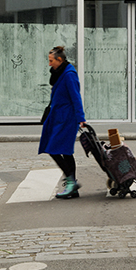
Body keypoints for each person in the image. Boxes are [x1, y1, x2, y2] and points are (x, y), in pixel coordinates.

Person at [37, 46, 85, 198]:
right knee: (63, 151)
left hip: (67, 118)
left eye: (51, 61)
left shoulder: (69, 74)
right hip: (58, 117)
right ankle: (72, 186)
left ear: (60, 60)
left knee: (56, 149)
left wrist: (81, 118)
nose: (49, 64)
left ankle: (71, 182)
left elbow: (76, 97)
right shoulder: (59, 73)